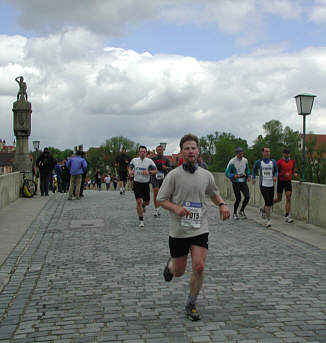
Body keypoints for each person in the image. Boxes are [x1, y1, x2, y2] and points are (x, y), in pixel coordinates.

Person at [157, 134, 230, 321]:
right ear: (182, 152)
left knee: (199, 266)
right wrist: (176, 209)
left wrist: (222, 205)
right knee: (179, 271)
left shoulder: (206, 175)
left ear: (198, 151)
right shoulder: (173, 175)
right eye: (187, 148)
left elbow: (214, 194)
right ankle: (171, 265)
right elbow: (160, 199)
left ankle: (191, 303)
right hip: (179, 230)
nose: (191, 151)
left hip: (199, 227)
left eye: (193, 148)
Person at [129, 146, 157, 228]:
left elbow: (155, 171)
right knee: (139, 202)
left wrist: (148, 172)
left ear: (146, 153)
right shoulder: (134, 160)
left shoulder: (149, 161)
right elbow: (130, 168)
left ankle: (143, 206)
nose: (142, 153)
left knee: (147, 202)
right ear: (138, 152)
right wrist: (130, 172)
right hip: (137, 183)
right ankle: (141, 220)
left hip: (145, 184)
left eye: (144, 152)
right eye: (141, 151)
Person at [252, 147, 278, 228]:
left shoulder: (273, 162)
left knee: (270, 202)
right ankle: (269, 220)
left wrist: (275, 176)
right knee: (267, 202)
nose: (267, 153)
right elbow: (253, 169)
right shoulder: (259, 162)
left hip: (271, 184)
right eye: (266, 151)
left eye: (268, 151)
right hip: (263, 184)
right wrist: (253, 177)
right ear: (262, 153)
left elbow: (276, 171)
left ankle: (263, 210)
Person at [225, 147, 251, 219]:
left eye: (242, 153)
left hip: (243, 182)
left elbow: (247, 170)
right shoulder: (232, 161)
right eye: (239, 154)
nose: (241, 155)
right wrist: (234, 175)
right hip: (236, 182)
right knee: (238, 199)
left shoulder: (245, 160)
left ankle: (242, 210)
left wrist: (248, 176)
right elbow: (227, 173)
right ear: (236, 154)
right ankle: (234, 213)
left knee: (247, 196)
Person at [273, 148, 298, 223]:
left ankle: (287, 215)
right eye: (286, 153)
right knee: (278, 199)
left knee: (288, 197)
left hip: (288, 182)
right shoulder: (279, 162)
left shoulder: (292, 162)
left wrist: (294, 174)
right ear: (283, 154)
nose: (287, 155)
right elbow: (275, 172)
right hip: (281, 181)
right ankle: (267, 206)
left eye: (288, 153)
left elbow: (293, 170)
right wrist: (283, 174)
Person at [151, 145, 171, 217]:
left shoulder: (166, 159)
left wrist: (166, 168)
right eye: (158, 150)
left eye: (160, 150)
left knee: (162, 194)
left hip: (163, 177)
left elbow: (170, 168)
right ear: (156, 151)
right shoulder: (153, 159)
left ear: (163, 150)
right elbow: (149, 167)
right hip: (154, 176)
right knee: (156, 190)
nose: (159, 152)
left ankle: (159, 207)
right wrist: (152, 171)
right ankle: (156, 209)